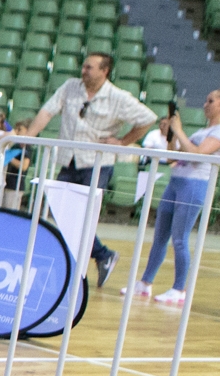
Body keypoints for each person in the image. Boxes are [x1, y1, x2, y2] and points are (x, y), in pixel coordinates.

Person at [15, 53, 156, 288]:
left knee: (83, 216)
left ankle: (78, 266)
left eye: (90, 67)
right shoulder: (71, 87)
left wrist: (122, 141)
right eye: (83, 66)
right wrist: (29, 136)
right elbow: (47, 111)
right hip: (68, 159)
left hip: (97, 163)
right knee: (61, 212)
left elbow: (147, 118)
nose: (84, 71)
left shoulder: (117, 97)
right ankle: (102, 255)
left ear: (104, 71)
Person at [124, 89, 220, 307]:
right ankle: (145, 283)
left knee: (179, 238)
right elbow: (173, 158)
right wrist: (172, 135)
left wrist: (179, 130)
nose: (205, 104)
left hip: (194, 186)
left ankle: (179, 288)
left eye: (210, 101)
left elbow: (196, 156)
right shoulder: (202, 131)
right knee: (160, 236)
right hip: (176, 183)